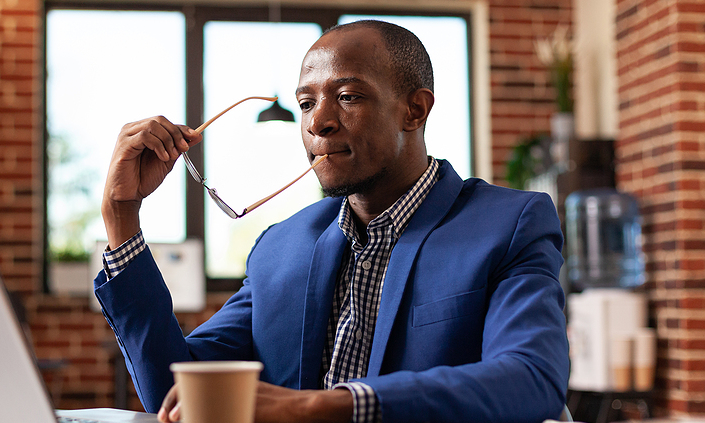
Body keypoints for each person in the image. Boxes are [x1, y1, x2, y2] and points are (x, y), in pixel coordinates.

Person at [95, 20, 569, 423]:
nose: (317, 122)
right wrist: (122, 217)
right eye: (305, 103)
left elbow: (532, 376)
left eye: (347, 96)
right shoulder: (281, 247)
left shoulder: (509, 224)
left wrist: (322, 407)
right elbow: (174, 394)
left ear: (414, 110)